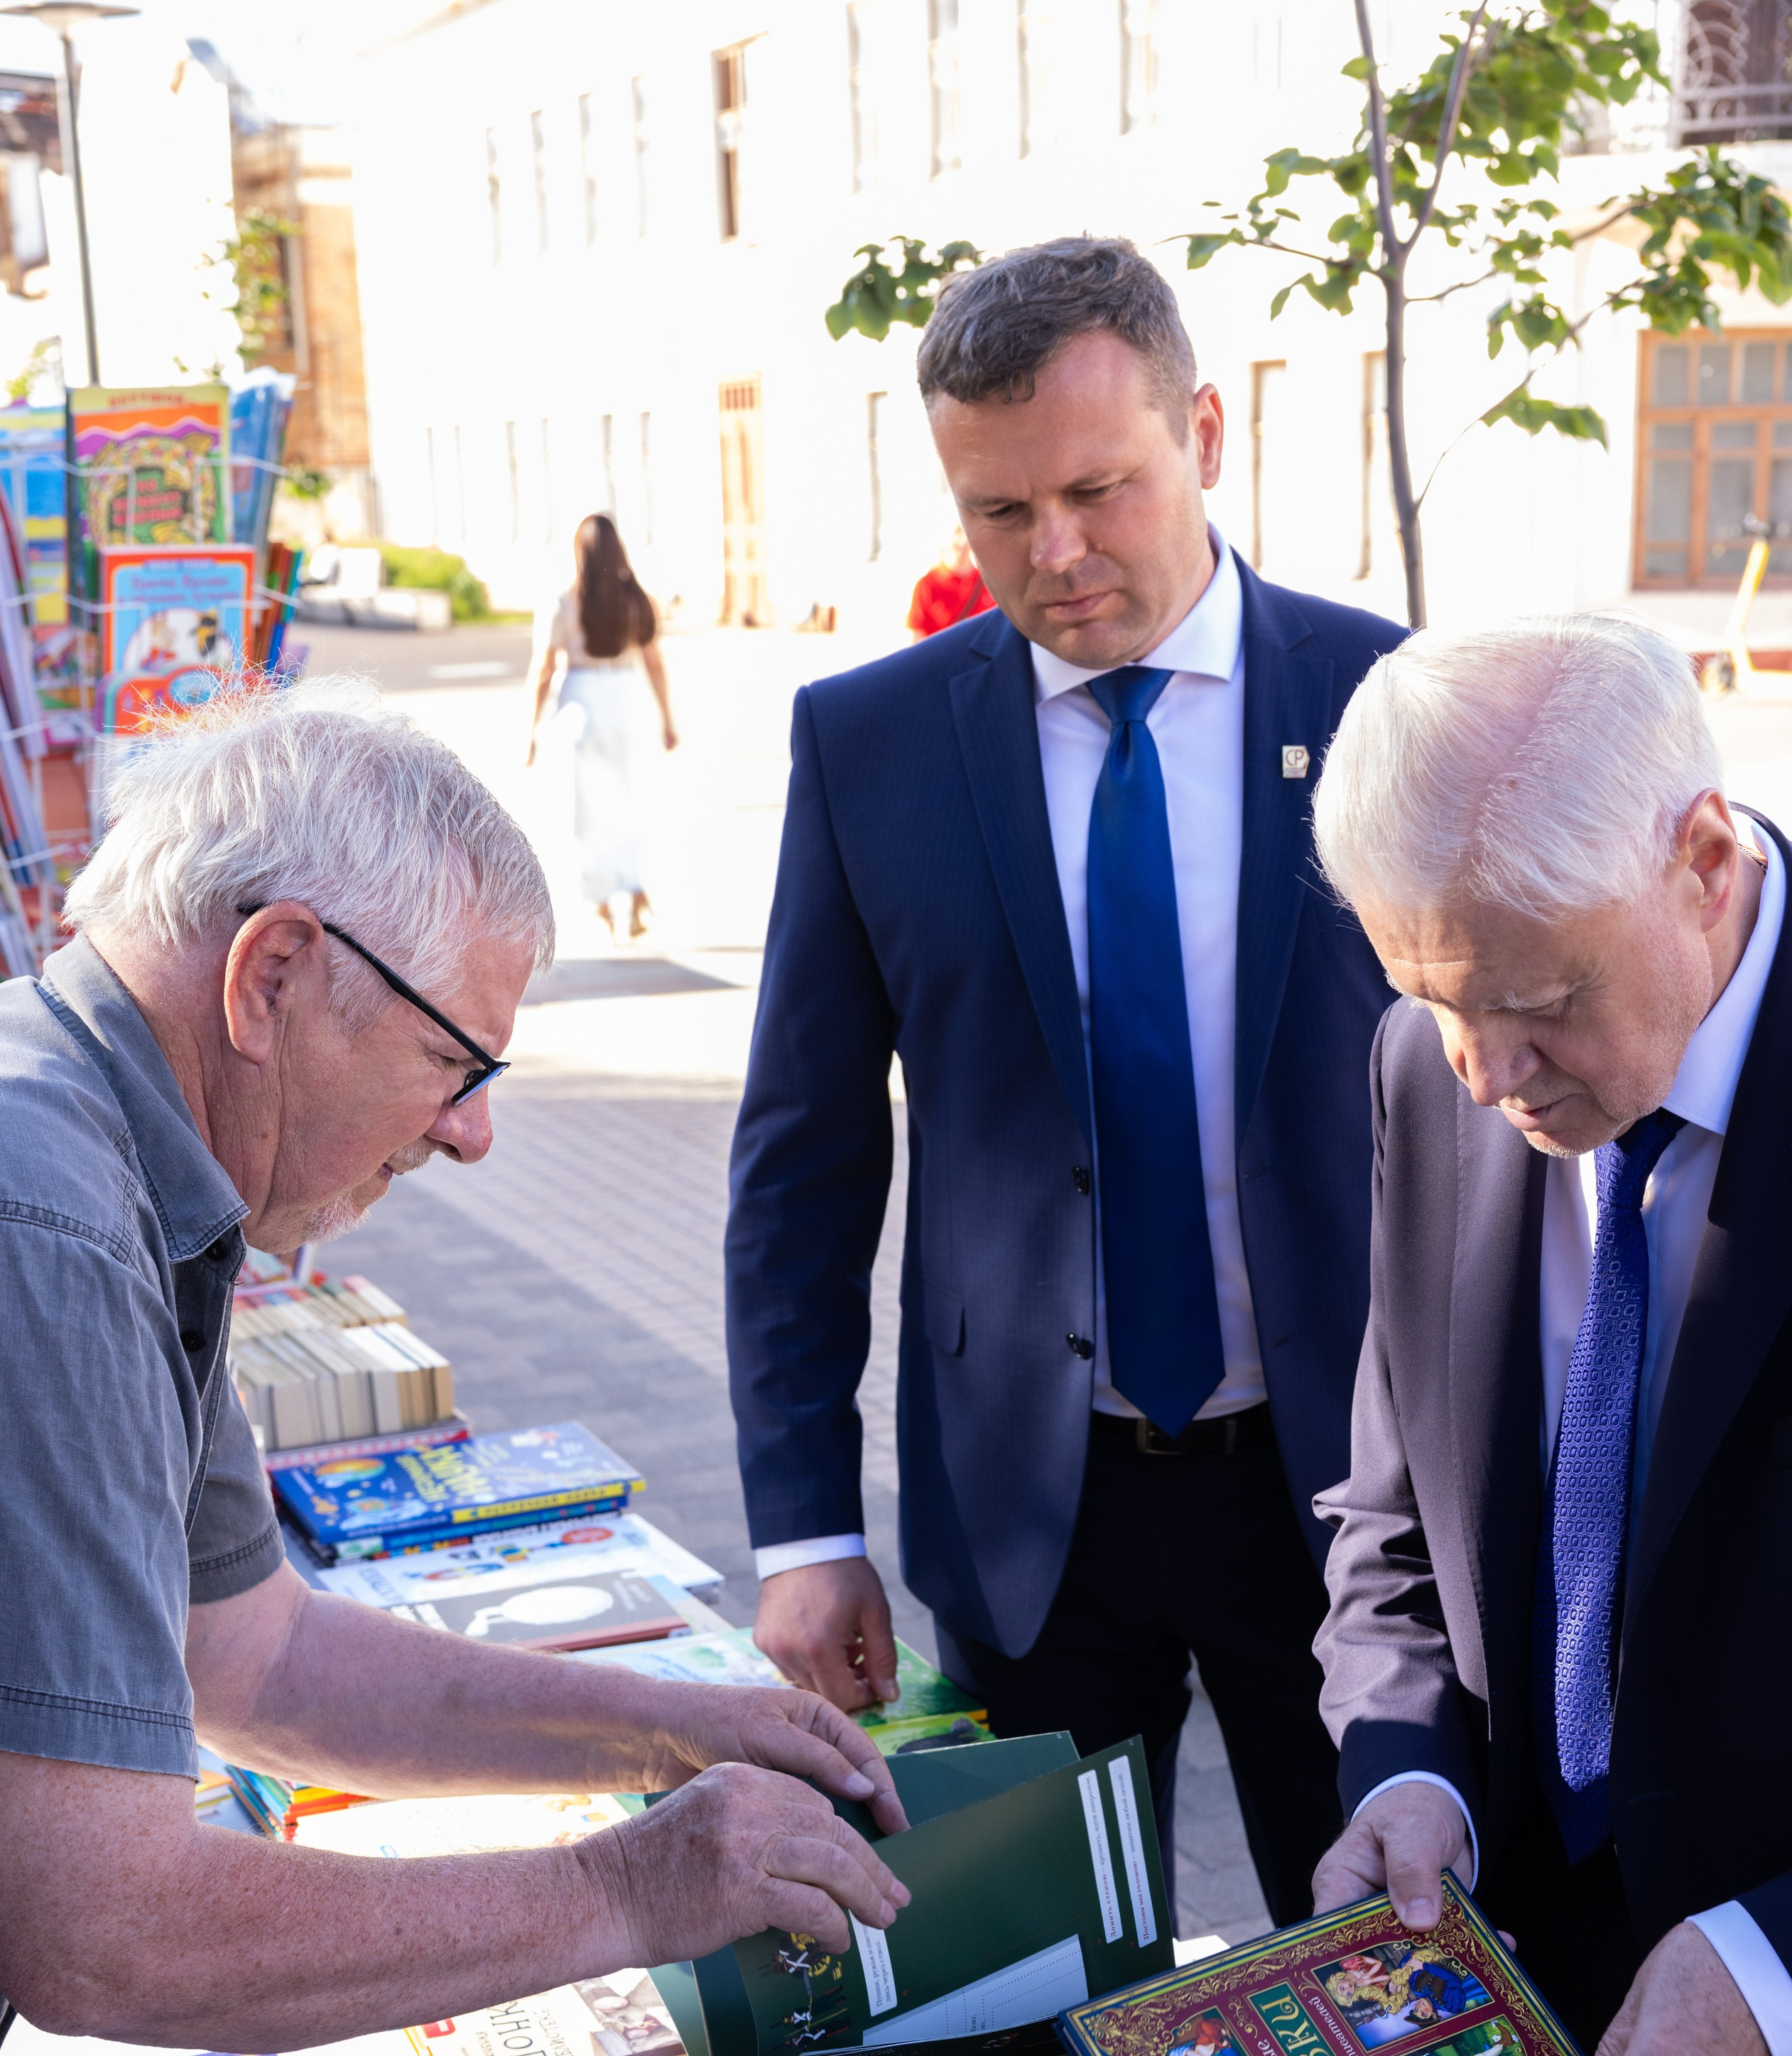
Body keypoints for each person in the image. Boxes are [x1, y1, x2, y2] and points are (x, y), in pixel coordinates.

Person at [0, 677, 908, 2056]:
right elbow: (110, 1930)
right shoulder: (42, 1216)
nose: (471, 1134)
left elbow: (255, 1652)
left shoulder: (112, 1142)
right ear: (271, 973)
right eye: (451, 1059)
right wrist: (629, 1885)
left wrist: (666, 1728)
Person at [725, 236, 1403, 1926]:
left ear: (1207, 431)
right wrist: (802, 1525)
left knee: (1378, 1977)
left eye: (1099, 489)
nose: (1059, 552)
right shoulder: (866, 745)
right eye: (998, 512)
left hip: (1344, 1509)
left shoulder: (1387, 696)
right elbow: (801, 1159)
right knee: (1030, 2009)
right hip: (1029, 1513)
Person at [1308, 612, 1792, 2056]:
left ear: (1702, 859)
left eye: (1544, 999)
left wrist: (1765, 1962)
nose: (1492, 1066)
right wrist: (1409, 1758)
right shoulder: (1424, 1063)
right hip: (1542, 1974)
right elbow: (1395, 1512)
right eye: (1442, 991)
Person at [527, 514, 678, 942]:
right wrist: (667, 719)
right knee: (628, 800)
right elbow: (654, 663)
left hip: (583, 705)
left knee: (590, 807)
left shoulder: (565, 603)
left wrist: (532, 731)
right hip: (629, 702)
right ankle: (634, 884)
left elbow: (544, 670)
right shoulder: (639, 602)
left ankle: (602, 899)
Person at [907, 529, 992, 638]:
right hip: (942, 652)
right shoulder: (928, 584)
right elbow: (917, 635)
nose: (959, 541)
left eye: (961, 532)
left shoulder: (987, 580)